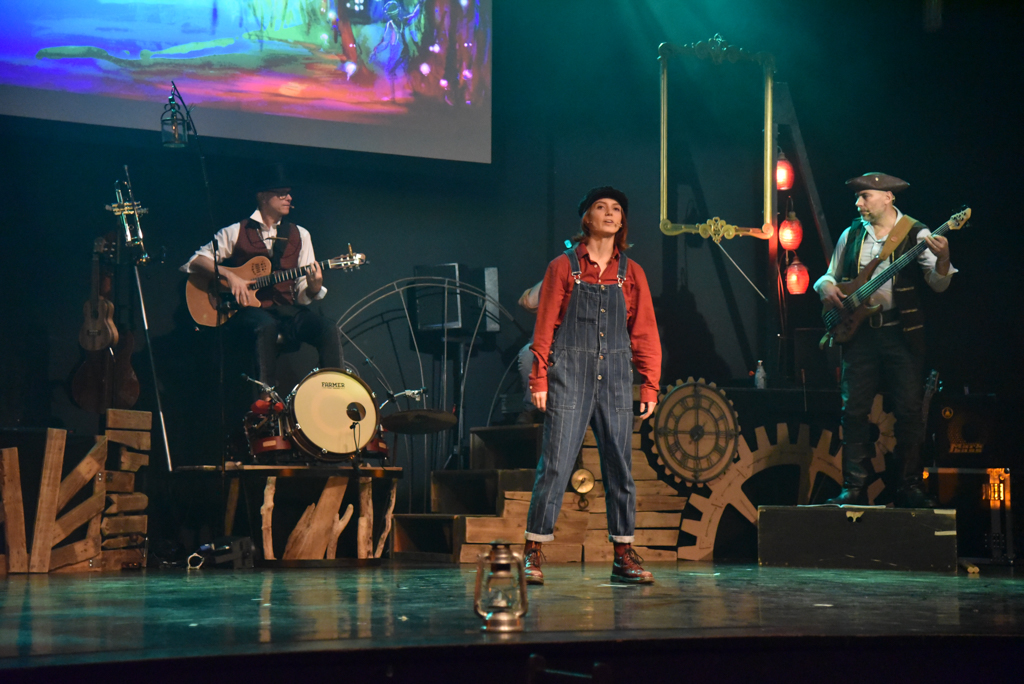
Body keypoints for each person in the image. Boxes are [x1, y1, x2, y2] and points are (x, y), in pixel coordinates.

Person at [523, 186, 662, 585]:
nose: (609, 214)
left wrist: (650, 385)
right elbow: (545, 323)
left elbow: (645, 332)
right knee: (556, 464)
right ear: (586, 218)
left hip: (617, 377)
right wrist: (539, 377)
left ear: (622, 222)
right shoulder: (563, 267)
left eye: (616, 209)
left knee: (620, 466)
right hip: (569, 375)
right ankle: (532, 552)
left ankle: (622, 554)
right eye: (600, 207)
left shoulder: (631, 273)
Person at [815, 172, 955, 508]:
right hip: (859, 334)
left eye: (865, 196)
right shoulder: (852, 235)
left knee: (908, 410)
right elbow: (829, 275)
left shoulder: (915, 233)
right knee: (854, 411)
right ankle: (854, 488)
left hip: (899, 333)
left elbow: (939, 284)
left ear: (888, 197)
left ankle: (907, 486)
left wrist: (945, 256)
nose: (858, 203)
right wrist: (824, 286)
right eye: (859, 197)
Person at [181, 165, 343, 406]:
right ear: (263, 196)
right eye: (282, 193)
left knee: (327, 327)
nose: (289, 198)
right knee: (264, 325)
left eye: (289, 193)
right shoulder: (236, 231)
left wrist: (313, 287)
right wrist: (229, 276)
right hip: (249, 312)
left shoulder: (301, 235)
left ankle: (335, 391)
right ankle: (265, 399)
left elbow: (301, 294)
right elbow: (194, 262)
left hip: (288, 311)